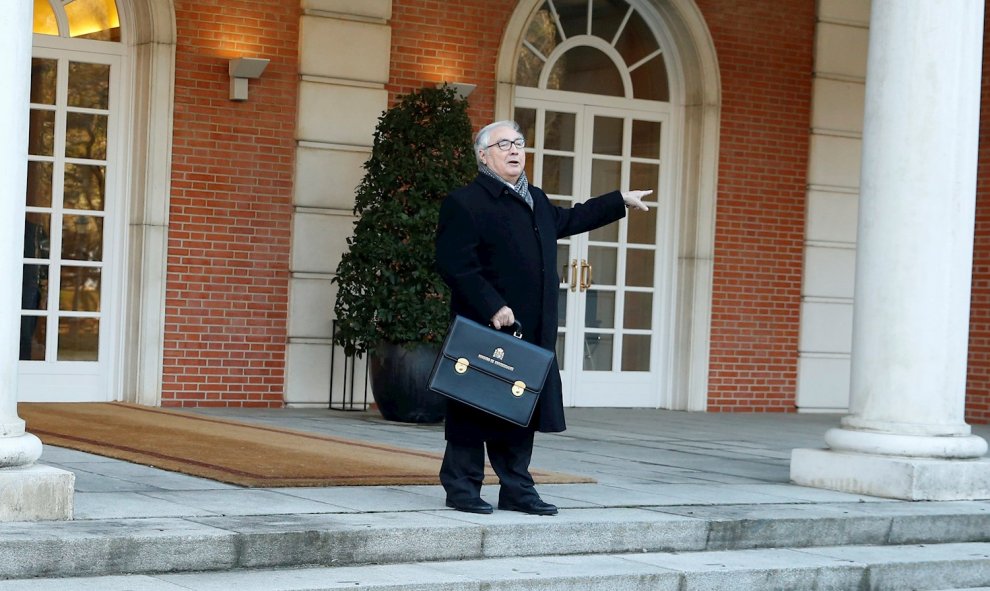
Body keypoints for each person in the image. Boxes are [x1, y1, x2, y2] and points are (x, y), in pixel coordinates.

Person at [435, 120, 651, 515]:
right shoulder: (465, 202)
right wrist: (492, 305)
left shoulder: (533, 197)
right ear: (484, 156)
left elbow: (570, 219)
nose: (515, 150)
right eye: (504, 144)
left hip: (532, 329)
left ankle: (517, 489)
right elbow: (455, 264)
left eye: (518, 143)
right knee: (472, 409)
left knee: (520, 409)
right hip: (487, 327)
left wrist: (619, 199)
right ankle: (462, 487)